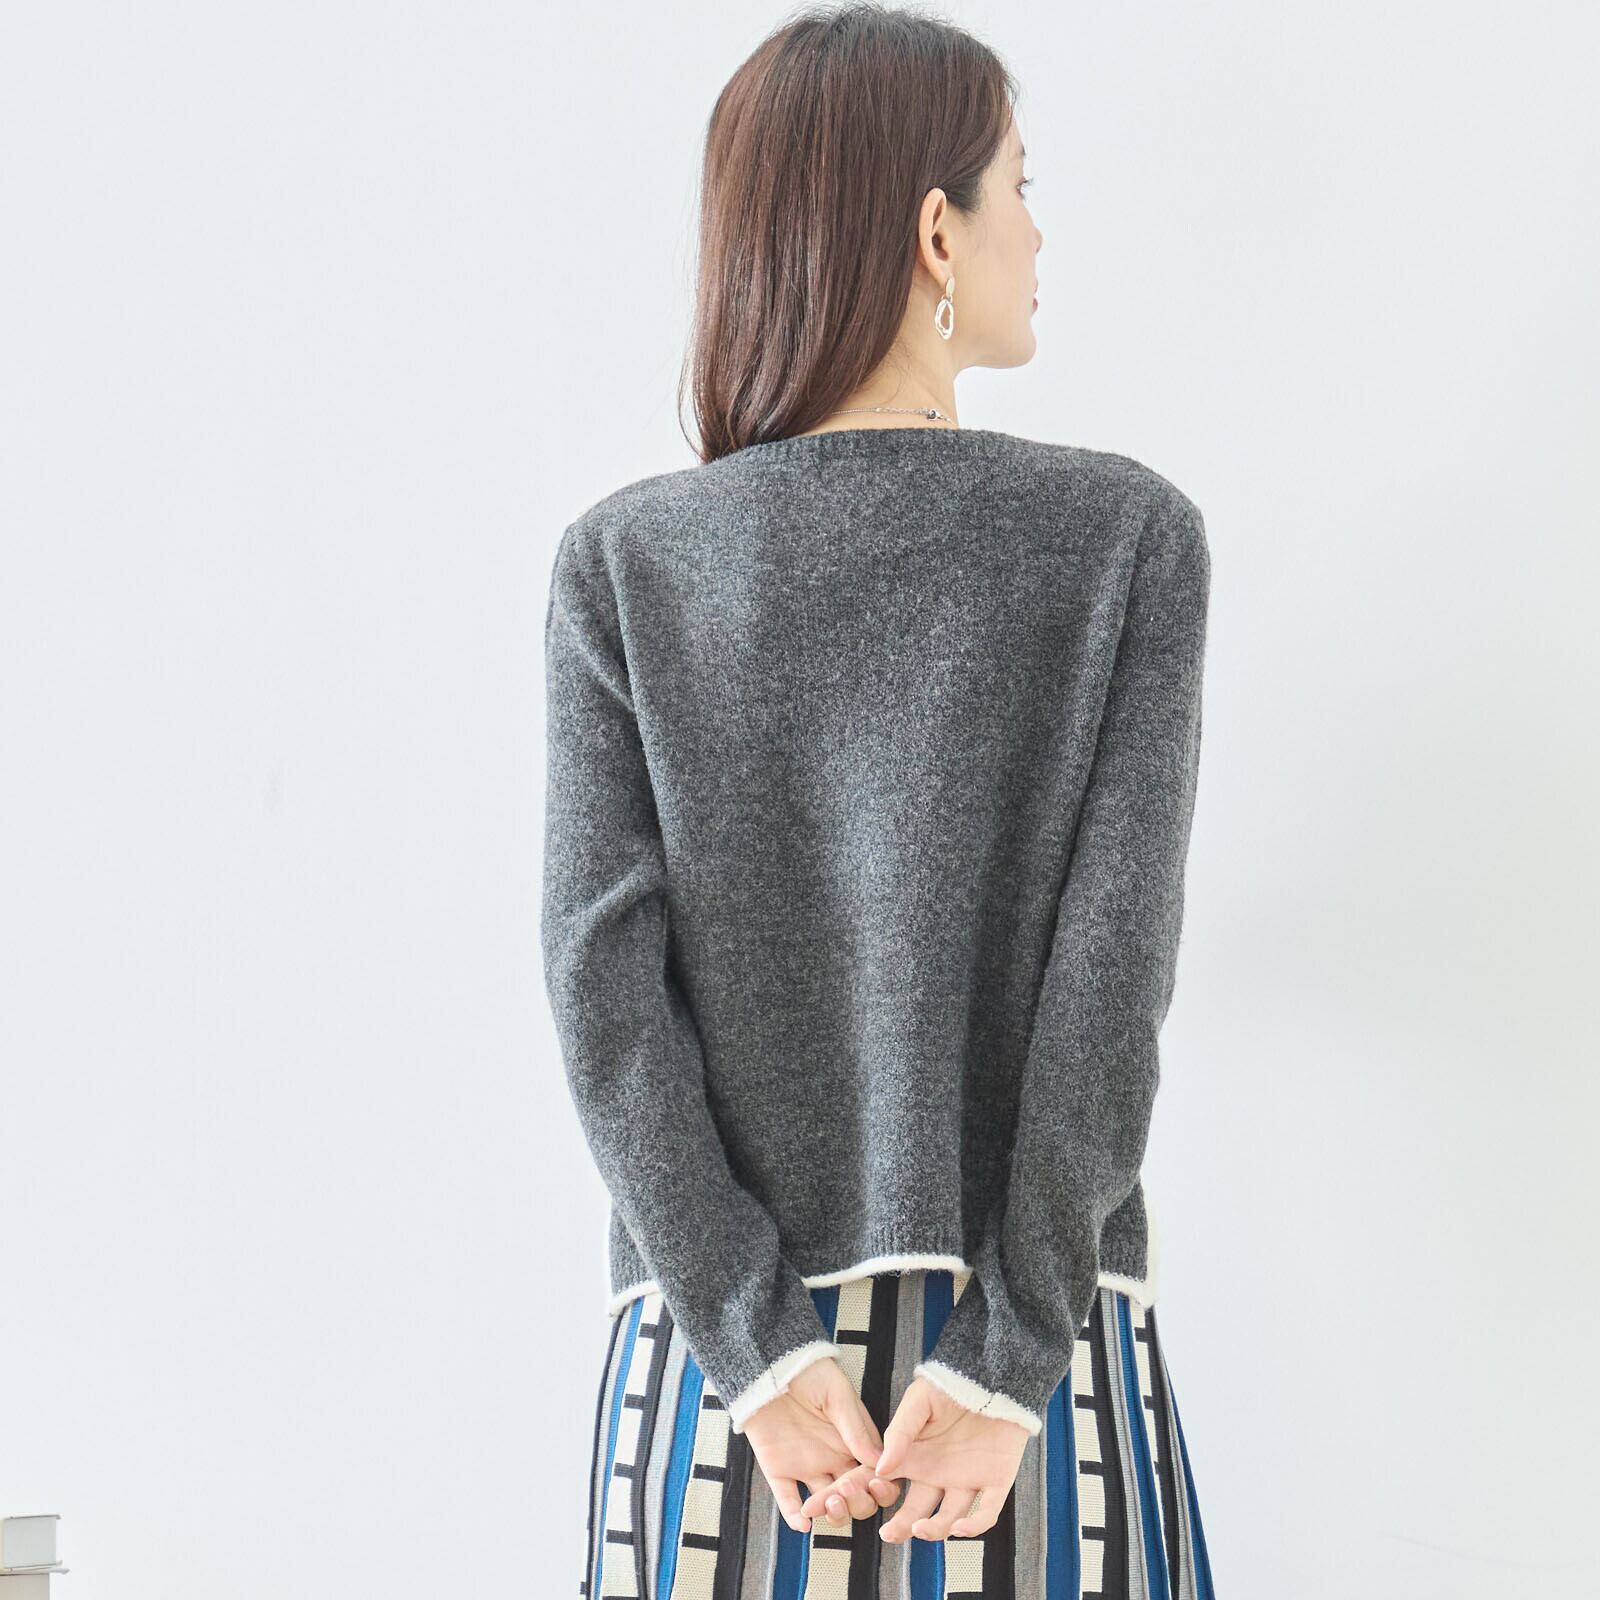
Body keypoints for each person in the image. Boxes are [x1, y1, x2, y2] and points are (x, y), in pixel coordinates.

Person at [540, 5, 1218, 1595]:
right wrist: (1011, 1352)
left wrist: (756, 1347)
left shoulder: (625, 565)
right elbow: (1109, 984)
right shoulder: (1125, 541)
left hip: (729, 1399)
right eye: (1018, 185)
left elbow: (602, 993)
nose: (1038, 231)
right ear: (935, 232)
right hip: (1031, 1394)